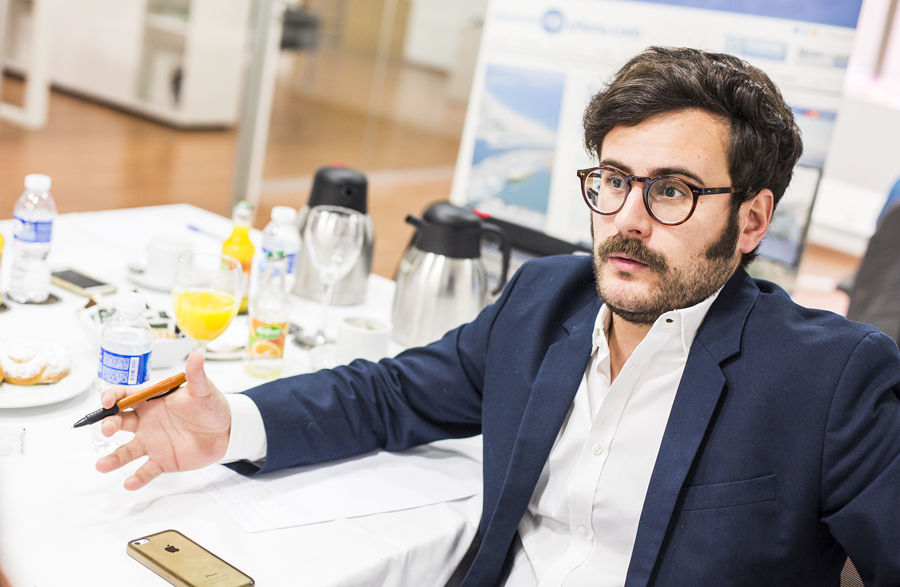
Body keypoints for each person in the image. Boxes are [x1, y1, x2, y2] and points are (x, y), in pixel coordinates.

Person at [96, 46, 900, 586]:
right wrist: (228, 424)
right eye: (614, 180)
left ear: (753, 220)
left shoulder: (829, 378)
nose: (628, 219)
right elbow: (390, 395)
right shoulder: (545, 299)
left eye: (673, 191)